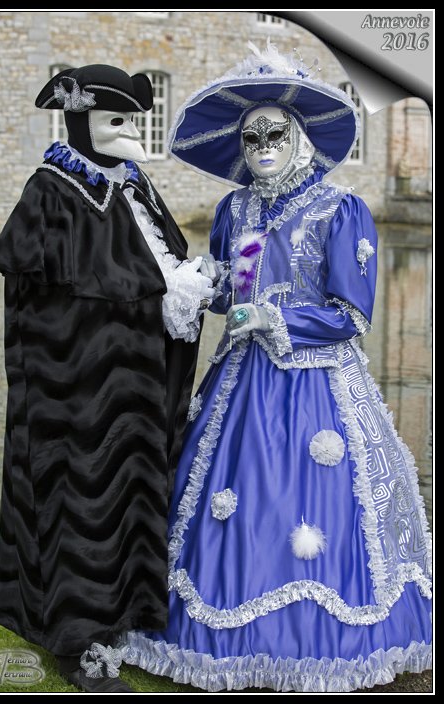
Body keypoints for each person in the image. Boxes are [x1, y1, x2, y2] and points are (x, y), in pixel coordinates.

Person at [111, 43, 433, 692]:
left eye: (274, 134)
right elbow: (237, 290)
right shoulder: (239, 211)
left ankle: (315, 642)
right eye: (250, 136)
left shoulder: (338, 209)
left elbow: (350, 313)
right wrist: (196, 287)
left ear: (300, 137)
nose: (261, 146)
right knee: (221, 496)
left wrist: (275, 318)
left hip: (317, 388)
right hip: (242, 382)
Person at [0, 64, 218, 693]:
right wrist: (152, 298)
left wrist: (190, 288)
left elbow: (157, 266)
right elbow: (44, 307)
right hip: (78, 397)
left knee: (136, 493)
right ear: (82, 122)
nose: (130, 132)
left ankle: (126, 622)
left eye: (133, 119)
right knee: (81, 503)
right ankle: (77, 641)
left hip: (137, 387)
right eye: (115, 120)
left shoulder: (134, 183)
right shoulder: (52, 191)